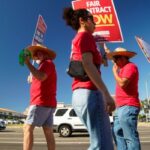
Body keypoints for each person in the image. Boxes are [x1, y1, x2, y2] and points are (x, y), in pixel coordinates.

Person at [63, 7, 115, 150]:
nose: (95, 24)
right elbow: (87, 64)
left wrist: (104, 51)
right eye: (92, 19)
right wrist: (106, 94)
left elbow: (100, 63)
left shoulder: (76, 40)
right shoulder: (86, 36)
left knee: (97, 143)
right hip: (90, 93)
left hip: (78, 95)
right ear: (82, 21)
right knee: (103, 146)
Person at [23, 44, 57, 150]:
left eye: (40, 52)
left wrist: (27, 63)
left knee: (27, 128)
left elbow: (41, 76)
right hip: (49, 102)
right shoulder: (46, 65)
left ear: (46, 54)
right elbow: (40, 76)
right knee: (48, 131)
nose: (38, 55)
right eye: (36, 53)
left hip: (40, 101)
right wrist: (32, 78)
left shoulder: (47, 63)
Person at [107, 47, 141, 150]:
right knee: (117, 133)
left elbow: (122, 83)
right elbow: (111, 58)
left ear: (124, 57)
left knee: (130, 137)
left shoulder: (130, 67)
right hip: (120, 107)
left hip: (128, 106)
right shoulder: (122, 67)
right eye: (115, 58)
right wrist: (106, 48)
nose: (115, 61)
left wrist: (114, 72)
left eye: (116, 58)